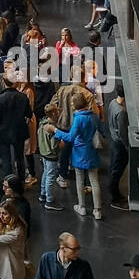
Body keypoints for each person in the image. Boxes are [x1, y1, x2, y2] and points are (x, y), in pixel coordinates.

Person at [55, 89, 102, 220]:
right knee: (94, 181)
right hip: (92, 151)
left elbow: (70, 137)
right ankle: (97, 210)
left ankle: (82, 206)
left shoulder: (78, 119)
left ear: (75, 105)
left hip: (80, 152)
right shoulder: (94, 116)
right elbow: (102, 131)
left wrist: (55, 131)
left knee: (80, 180)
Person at [0, 76, 32, 183]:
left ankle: (8, 182)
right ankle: (21, 181)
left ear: (5, 83)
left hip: (3, 132)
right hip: (19, 131)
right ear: (16, 83)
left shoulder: (0, 97)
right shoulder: (23, 97)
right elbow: (29, 114)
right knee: (19, 158)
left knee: (6, 158)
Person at [108, 83, 130, 209]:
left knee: (113, 168)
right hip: (119, 145)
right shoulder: (121, 112)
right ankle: (114, 198)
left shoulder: (112, 103)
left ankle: (114, 193)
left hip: (113, 140)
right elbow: (122, 133)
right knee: (117, 170)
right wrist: (127, 146)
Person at [38, 105, 63, 210]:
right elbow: (54, 145)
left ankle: (42, 194)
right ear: (54, 113)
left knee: (45, 172)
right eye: (57, 110)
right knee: (50, 177)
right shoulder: (52, 128)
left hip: (43, 152)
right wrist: (61, 143)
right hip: (51, 155)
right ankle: (49, 200)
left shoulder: (42, 123)